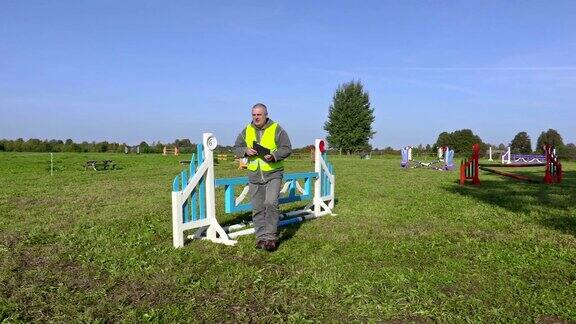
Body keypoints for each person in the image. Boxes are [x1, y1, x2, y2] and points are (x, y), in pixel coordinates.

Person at [234, 103, 292, 251]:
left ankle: (271, 238)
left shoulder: (276, 129)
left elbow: (286, 148)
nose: (256, 117)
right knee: (257, 207)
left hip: (273, 173)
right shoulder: (246, 130)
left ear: (266, 114)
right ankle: (261, 238)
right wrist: (246, 151)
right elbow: (236, 148)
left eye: (259, 114)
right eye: (253, 115)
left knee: (271, 203)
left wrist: (274, 156)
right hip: (254, 175)